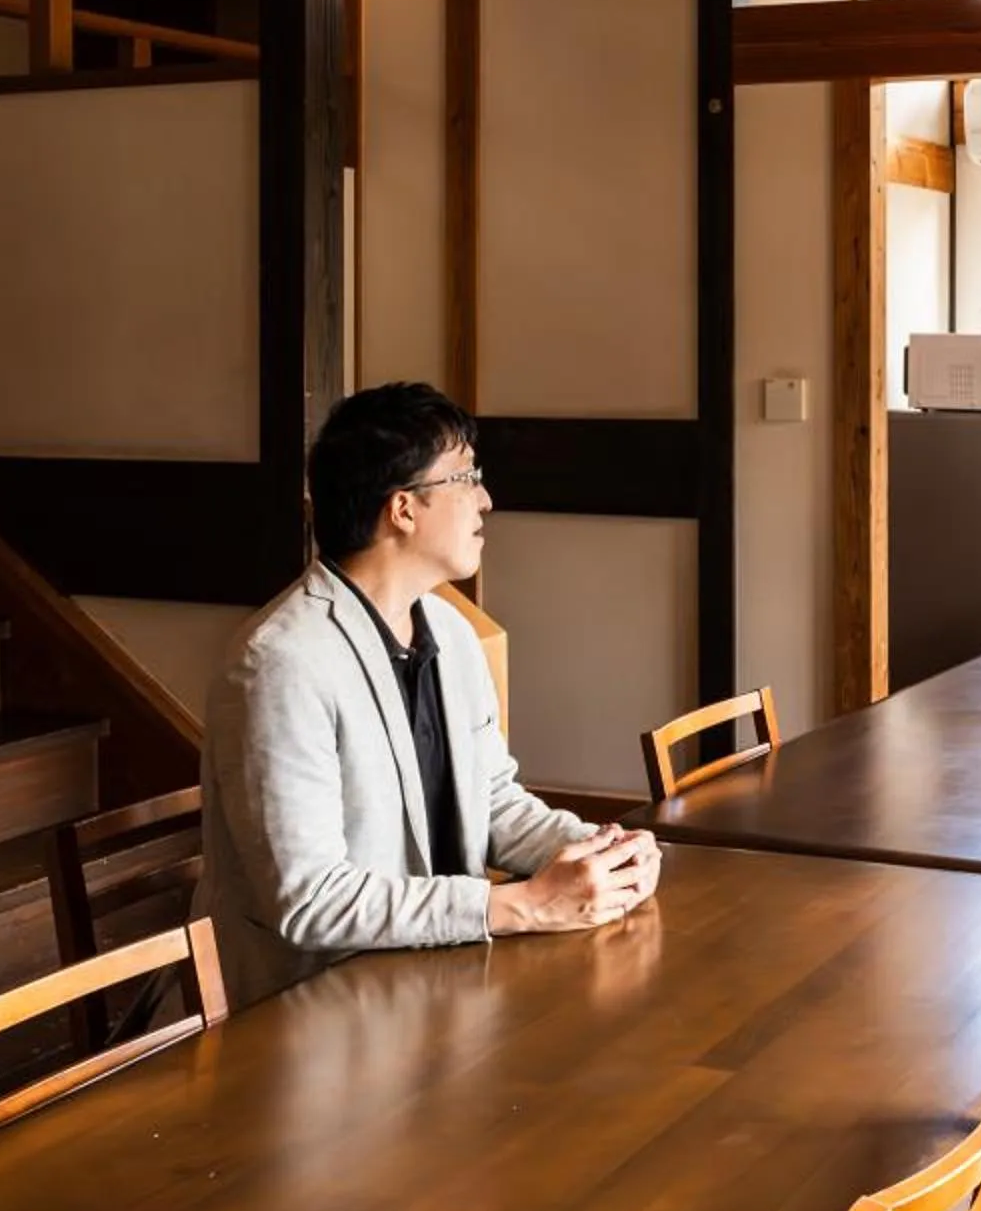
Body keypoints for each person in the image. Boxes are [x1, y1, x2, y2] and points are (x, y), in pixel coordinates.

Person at [198, 381, 660, 1004]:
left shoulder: (448, 628)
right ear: (403, 509)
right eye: (467, 477)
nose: (486, 500)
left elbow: (492, 801)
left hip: (442, 980)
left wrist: (599, 854)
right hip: (320, 1011)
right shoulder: (279, 664)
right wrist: (516, 907)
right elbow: (310, 901)